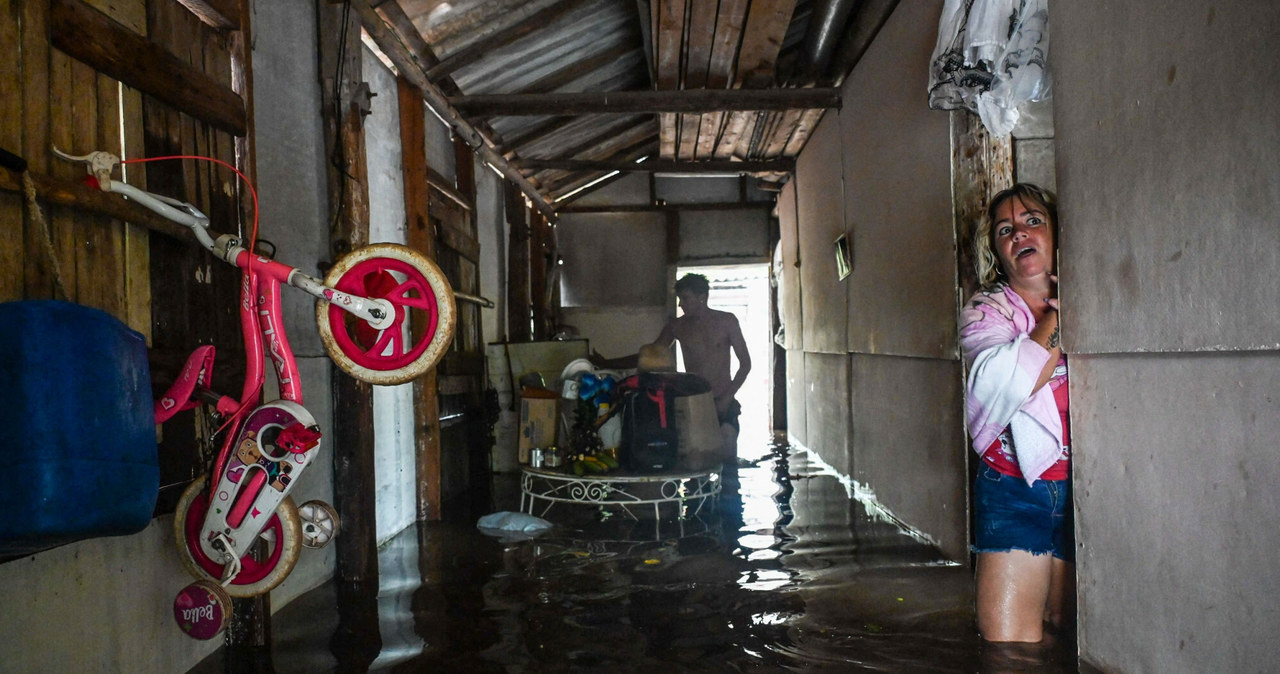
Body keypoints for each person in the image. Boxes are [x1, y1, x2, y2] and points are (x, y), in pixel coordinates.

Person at [959, 183, 1074, 643]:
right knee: (1010, 651)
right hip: (1014, 487)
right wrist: (1064, 316)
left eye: (1032, 221)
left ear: (1056, 231)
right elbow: (1007, 382)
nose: (1019, 234)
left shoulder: (1102, 292)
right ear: (997, 252)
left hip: (1086, 490)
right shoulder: (984, 314)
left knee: (1071, 639)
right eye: (1005, 230)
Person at [593, 273, 751, 464]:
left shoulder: (727, 321)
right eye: (680, 299)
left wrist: (727, 398)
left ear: (702, 297)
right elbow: (648, 357)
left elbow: (745, 364)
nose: (680, 305)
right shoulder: (677, 326)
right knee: (693, 460)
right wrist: (607, 363)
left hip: (723, 399)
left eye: (685, 298)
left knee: (728, 457)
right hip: (692, 400)